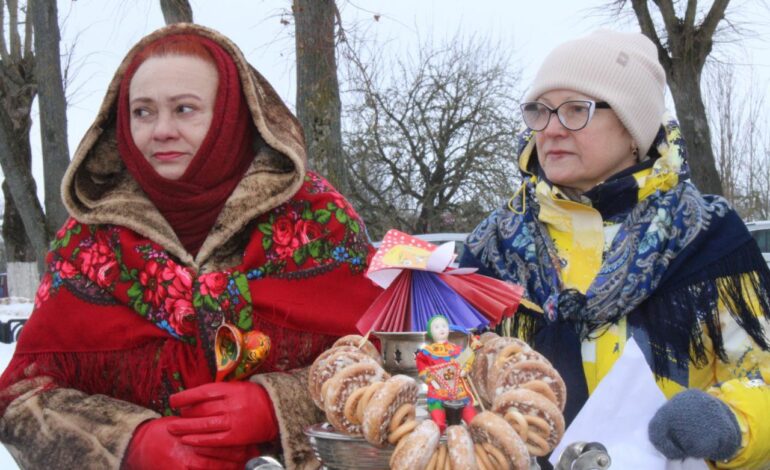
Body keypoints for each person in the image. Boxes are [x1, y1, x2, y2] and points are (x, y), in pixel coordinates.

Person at [0, 24, 382, 470]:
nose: (161, 130)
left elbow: (397, 363)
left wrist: (277, 406)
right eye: (142, 112)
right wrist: (128, 442)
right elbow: (20, 400)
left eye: (185, 109)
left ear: (231, 116)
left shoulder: (319, 223)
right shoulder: (87, 242)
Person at [460, 29, 770, 468]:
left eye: (575, 111)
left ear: (632, 130)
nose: (550, 129)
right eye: (539, 111)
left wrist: (731, 423)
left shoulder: (708, 238)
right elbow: (448, 375)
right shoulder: (492, 246)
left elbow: (763, 375)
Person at [416, 315, 477, 431]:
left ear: (449, 329)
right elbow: (422, 369)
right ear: (430, 332)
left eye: (444, 326)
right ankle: (439, 426)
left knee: (470, 415)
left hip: (458, 391)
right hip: (437, 390)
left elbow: (466, 362)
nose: (441, 329)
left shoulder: (457, 349)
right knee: (438, 416)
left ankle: (473, 425)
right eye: (437, 327)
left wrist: (465, 370)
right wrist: (432, 380)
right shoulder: (426, 352)